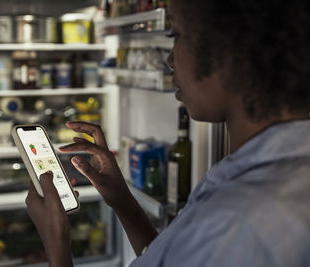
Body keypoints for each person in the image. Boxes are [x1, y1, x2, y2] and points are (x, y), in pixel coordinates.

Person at [25, 0, 310, 266]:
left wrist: (57, 243)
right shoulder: (265, 174)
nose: (170, 59)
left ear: (230, 50)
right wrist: (122, 201)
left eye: (177, 35)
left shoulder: (239, 221)